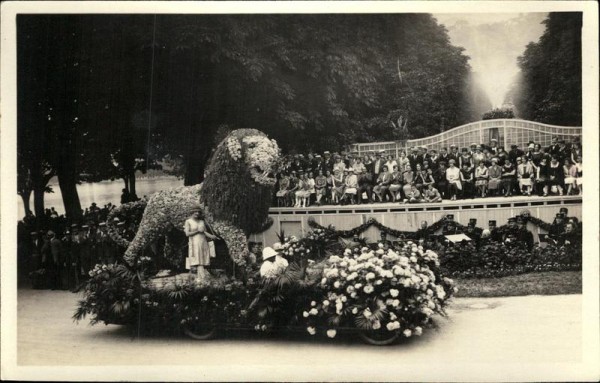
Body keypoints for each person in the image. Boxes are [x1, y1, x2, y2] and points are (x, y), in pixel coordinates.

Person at [184, 210, 218, 280]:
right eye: (195, 212)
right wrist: (197, 231)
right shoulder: (188, 221)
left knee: (202, 260)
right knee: (198, 260)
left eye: (198, 212)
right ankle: (201, 278)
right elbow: (187, 234)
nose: (197, 213)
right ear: (192, 212)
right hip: (194, 242)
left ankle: (201, 278)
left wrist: (212, 236)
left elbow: (204, 232)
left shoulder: (201, 221)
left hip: (203, 242)